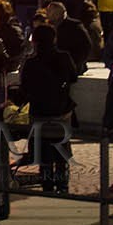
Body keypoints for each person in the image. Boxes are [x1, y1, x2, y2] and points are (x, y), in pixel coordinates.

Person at [18, 24, 78, 194]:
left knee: (44, 152)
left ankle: (47, 184)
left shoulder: (31, 63)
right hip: (61, 111)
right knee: (62, 149)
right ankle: (62, 184)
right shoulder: (64, 58)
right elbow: (73, 77)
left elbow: (25, 88)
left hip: (40, 112)